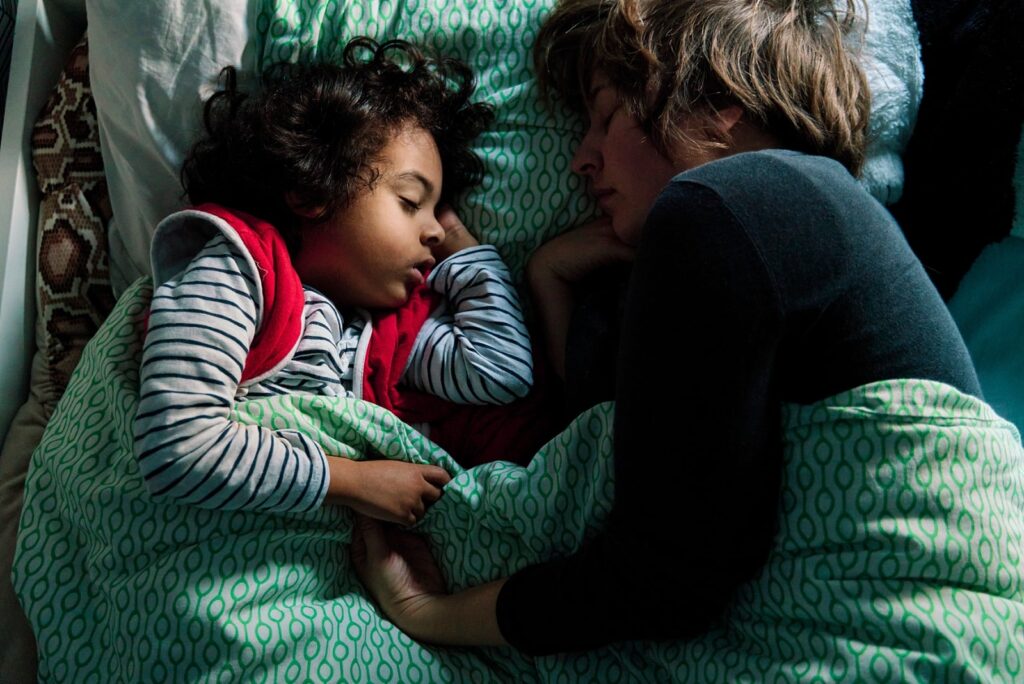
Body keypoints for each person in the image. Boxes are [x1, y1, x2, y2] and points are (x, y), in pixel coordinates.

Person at [351, 0, 983, 654]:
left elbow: (665, 579)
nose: (581, 160)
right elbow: (634, 467)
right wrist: (547, 278)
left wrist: (428, 613)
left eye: (604, 118)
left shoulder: (739, 203)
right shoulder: (755, 237)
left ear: (716, 99)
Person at [133, 38, 537, 527]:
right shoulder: (239, 268)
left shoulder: (377, 330)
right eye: (411, 202)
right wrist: (354, 482)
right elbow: (175, 445)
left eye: (438, 214)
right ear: (311, 190)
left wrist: (462, 245)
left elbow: (501, 372)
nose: (433, 231)